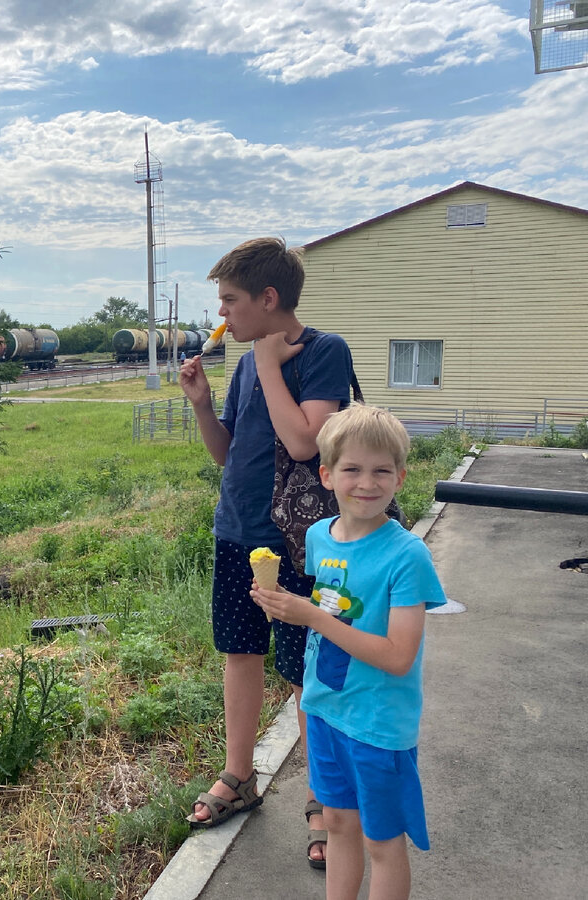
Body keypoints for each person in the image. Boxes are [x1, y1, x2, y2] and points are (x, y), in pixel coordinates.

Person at [178, 236, 354, 867]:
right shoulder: (249, 362)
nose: (222, 312)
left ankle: (324, 799)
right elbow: (229, 452)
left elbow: (307, 442)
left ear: (268, 298)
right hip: (240, 529)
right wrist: (202, 405)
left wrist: (274, 364)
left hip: (303, 540)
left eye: (229, 300)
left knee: (310, 670)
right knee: (240, 650)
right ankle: (239, 775)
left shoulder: (321, 351)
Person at [253, 404, 445, 899]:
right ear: (327, 474)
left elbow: (398, 656)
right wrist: (284, 606)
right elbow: (334, 607)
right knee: (337, 823)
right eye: (352, 469)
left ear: (400, 477)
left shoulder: (406, 556)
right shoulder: (319, 536)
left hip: (378, 725)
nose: (367, 482)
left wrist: (312, 616)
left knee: (382, 843)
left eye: (382, 470)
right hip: (324, 709)